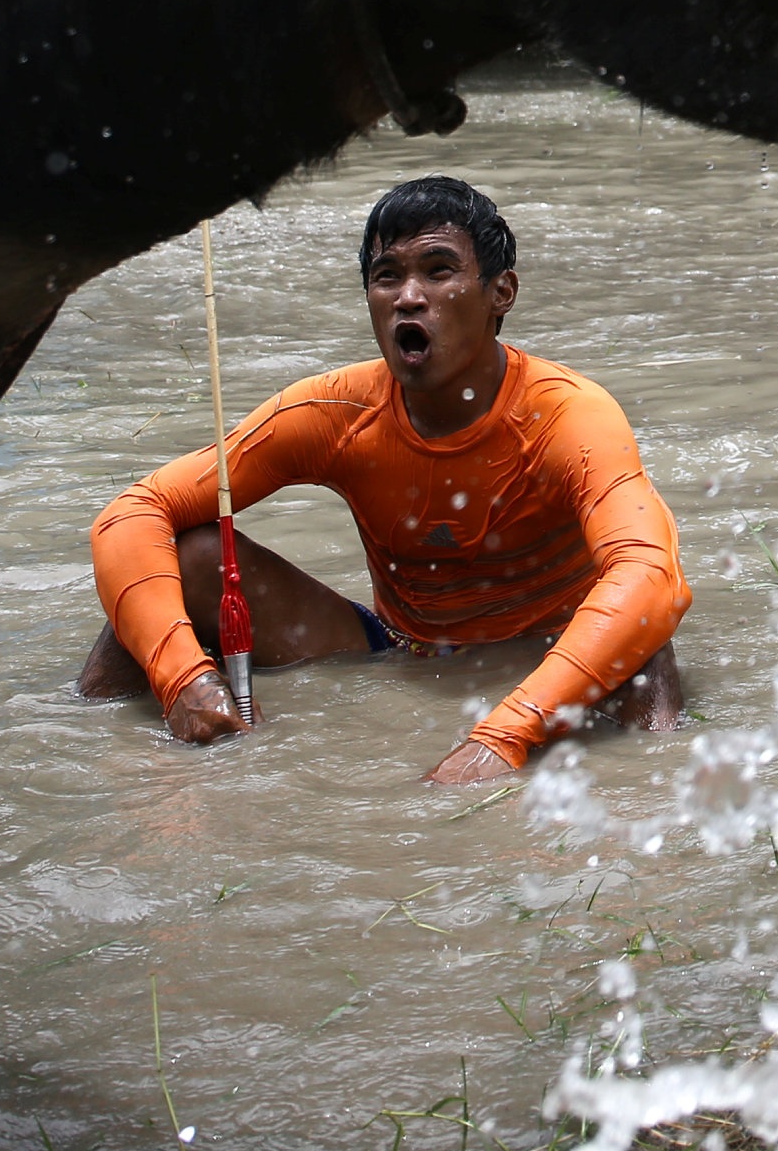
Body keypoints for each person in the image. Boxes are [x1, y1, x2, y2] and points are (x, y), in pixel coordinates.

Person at [77, 176, 689, 784]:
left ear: (500, 292)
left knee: (645, 646)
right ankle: (115, 773)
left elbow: (649, 576)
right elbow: (132, 514)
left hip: (554, 654)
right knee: (188, 563)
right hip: (401, 647)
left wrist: (504, 736)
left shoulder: (568, 414)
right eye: (387, 275)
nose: (409, 297)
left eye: (439, 270)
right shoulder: (336, 412)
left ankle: (650, 791)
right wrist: (183, 678)